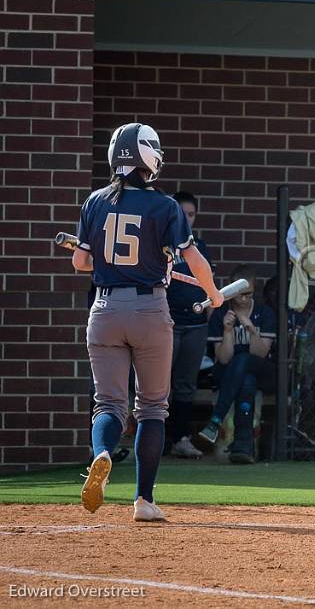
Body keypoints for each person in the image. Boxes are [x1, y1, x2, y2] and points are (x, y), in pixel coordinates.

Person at [73, 123, 222, 522]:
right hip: (150, 311)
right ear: (150, 158)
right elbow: (193, 259)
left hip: (104, 311)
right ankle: (143, 500)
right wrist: (214, 293)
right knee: (153, 408)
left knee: (108, 404)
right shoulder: (164, 205)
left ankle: (102, 453)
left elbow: (81, 262)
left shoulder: (95, 201)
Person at [197, 265, 277, 463]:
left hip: (262, 371)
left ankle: (216, 420)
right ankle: (243, 447)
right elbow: (223, 358)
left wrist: (250, 330)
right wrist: (227, 331)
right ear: (231, 292)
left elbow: (260, 354)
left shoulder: (264, 313)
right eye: (239, 295)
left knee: (245, 362)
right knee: (246, 381)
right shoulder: (221, 314)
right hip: (229, 373)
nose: (244, 299)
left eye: (249, 294)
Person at [165, 191, 213, 459]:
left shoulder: (199, 247)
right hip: (168, 323)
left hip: (195, 325)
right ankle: (155, 441)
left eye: (191, 214)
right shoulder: (162, 243)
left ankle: (180, 438)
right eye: (182, 214)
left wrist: (207, 314)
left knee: (186, 384)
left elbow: (209, 284)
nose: (187, 219)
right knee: (158, 385)